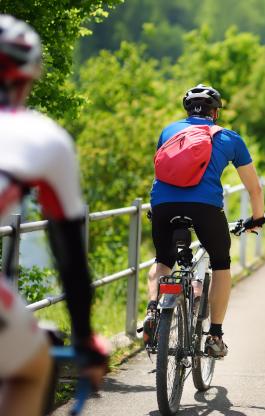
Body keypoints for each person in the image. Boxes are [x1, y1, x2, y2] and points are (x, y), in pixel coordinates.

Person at [0, 14, 108, 416]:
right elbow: (70, 257)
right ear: (27, 77)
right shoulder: (42, 137)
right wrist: (85, 341)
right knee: (33, 368)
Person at [143, 84, 265, 358]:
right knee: (221, 263)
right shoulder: (229, 138)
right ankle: (215, 336)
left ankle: (152, 310)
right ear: (215, 113)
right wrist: (257, 218)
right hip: (205, 208)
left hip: (163, 204)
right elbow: (254, 189)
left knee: (162, 262)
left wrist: (158, 207)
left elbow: (162, 171)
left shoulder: (169, 131)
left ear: (187, 110)